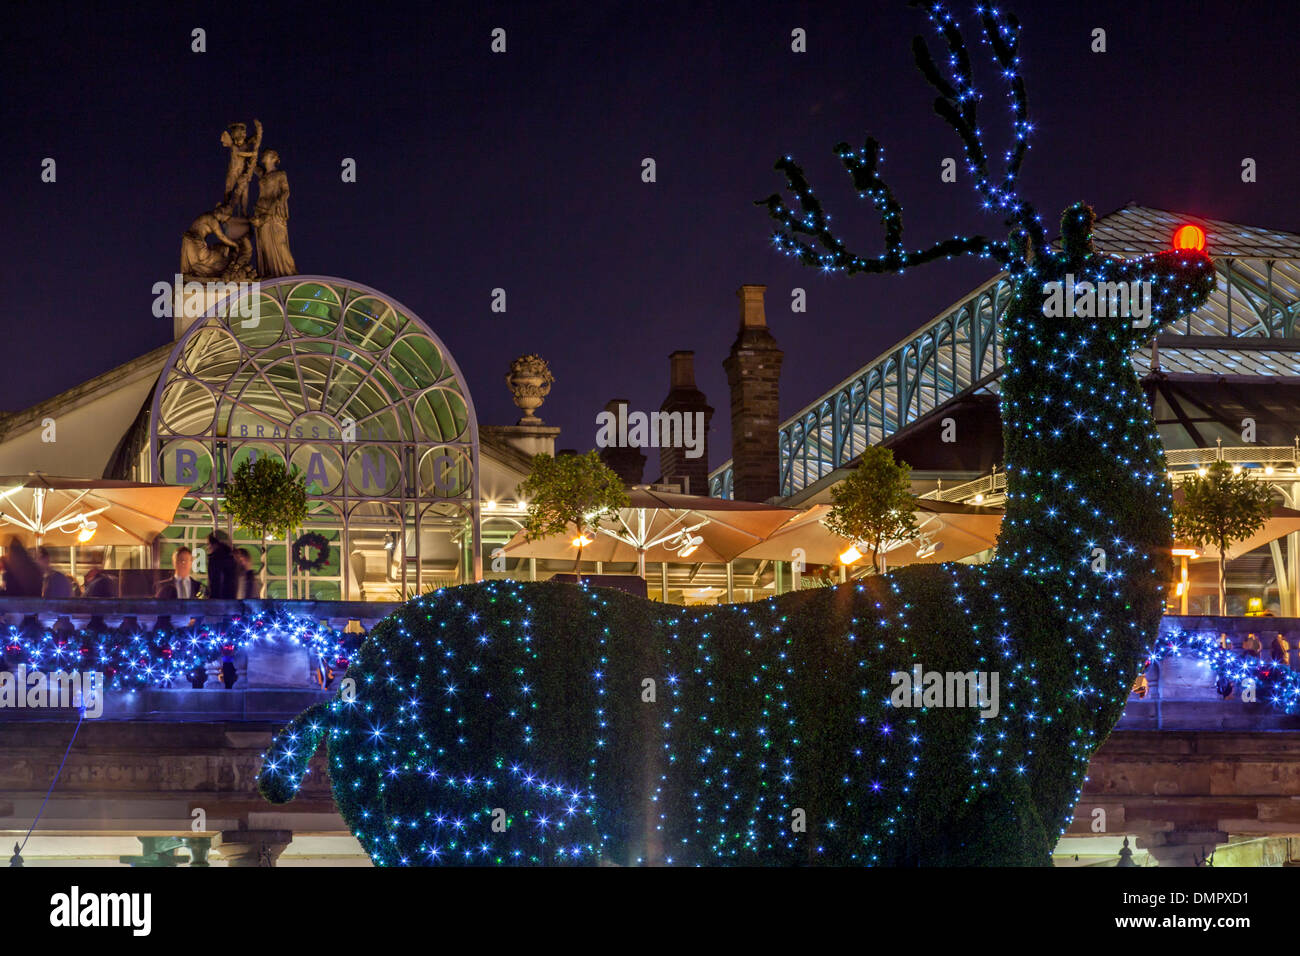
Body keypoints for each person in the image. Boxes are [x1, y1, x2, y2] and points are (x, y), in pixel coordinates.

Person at [206, 531, 237, 600]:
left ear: (214, 544)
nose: (207, 547)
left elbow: (215, 583)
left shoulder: (214, 560)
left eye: (208, 544)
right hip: (231, 601)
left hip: (218, 602)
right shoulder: (231, 558)